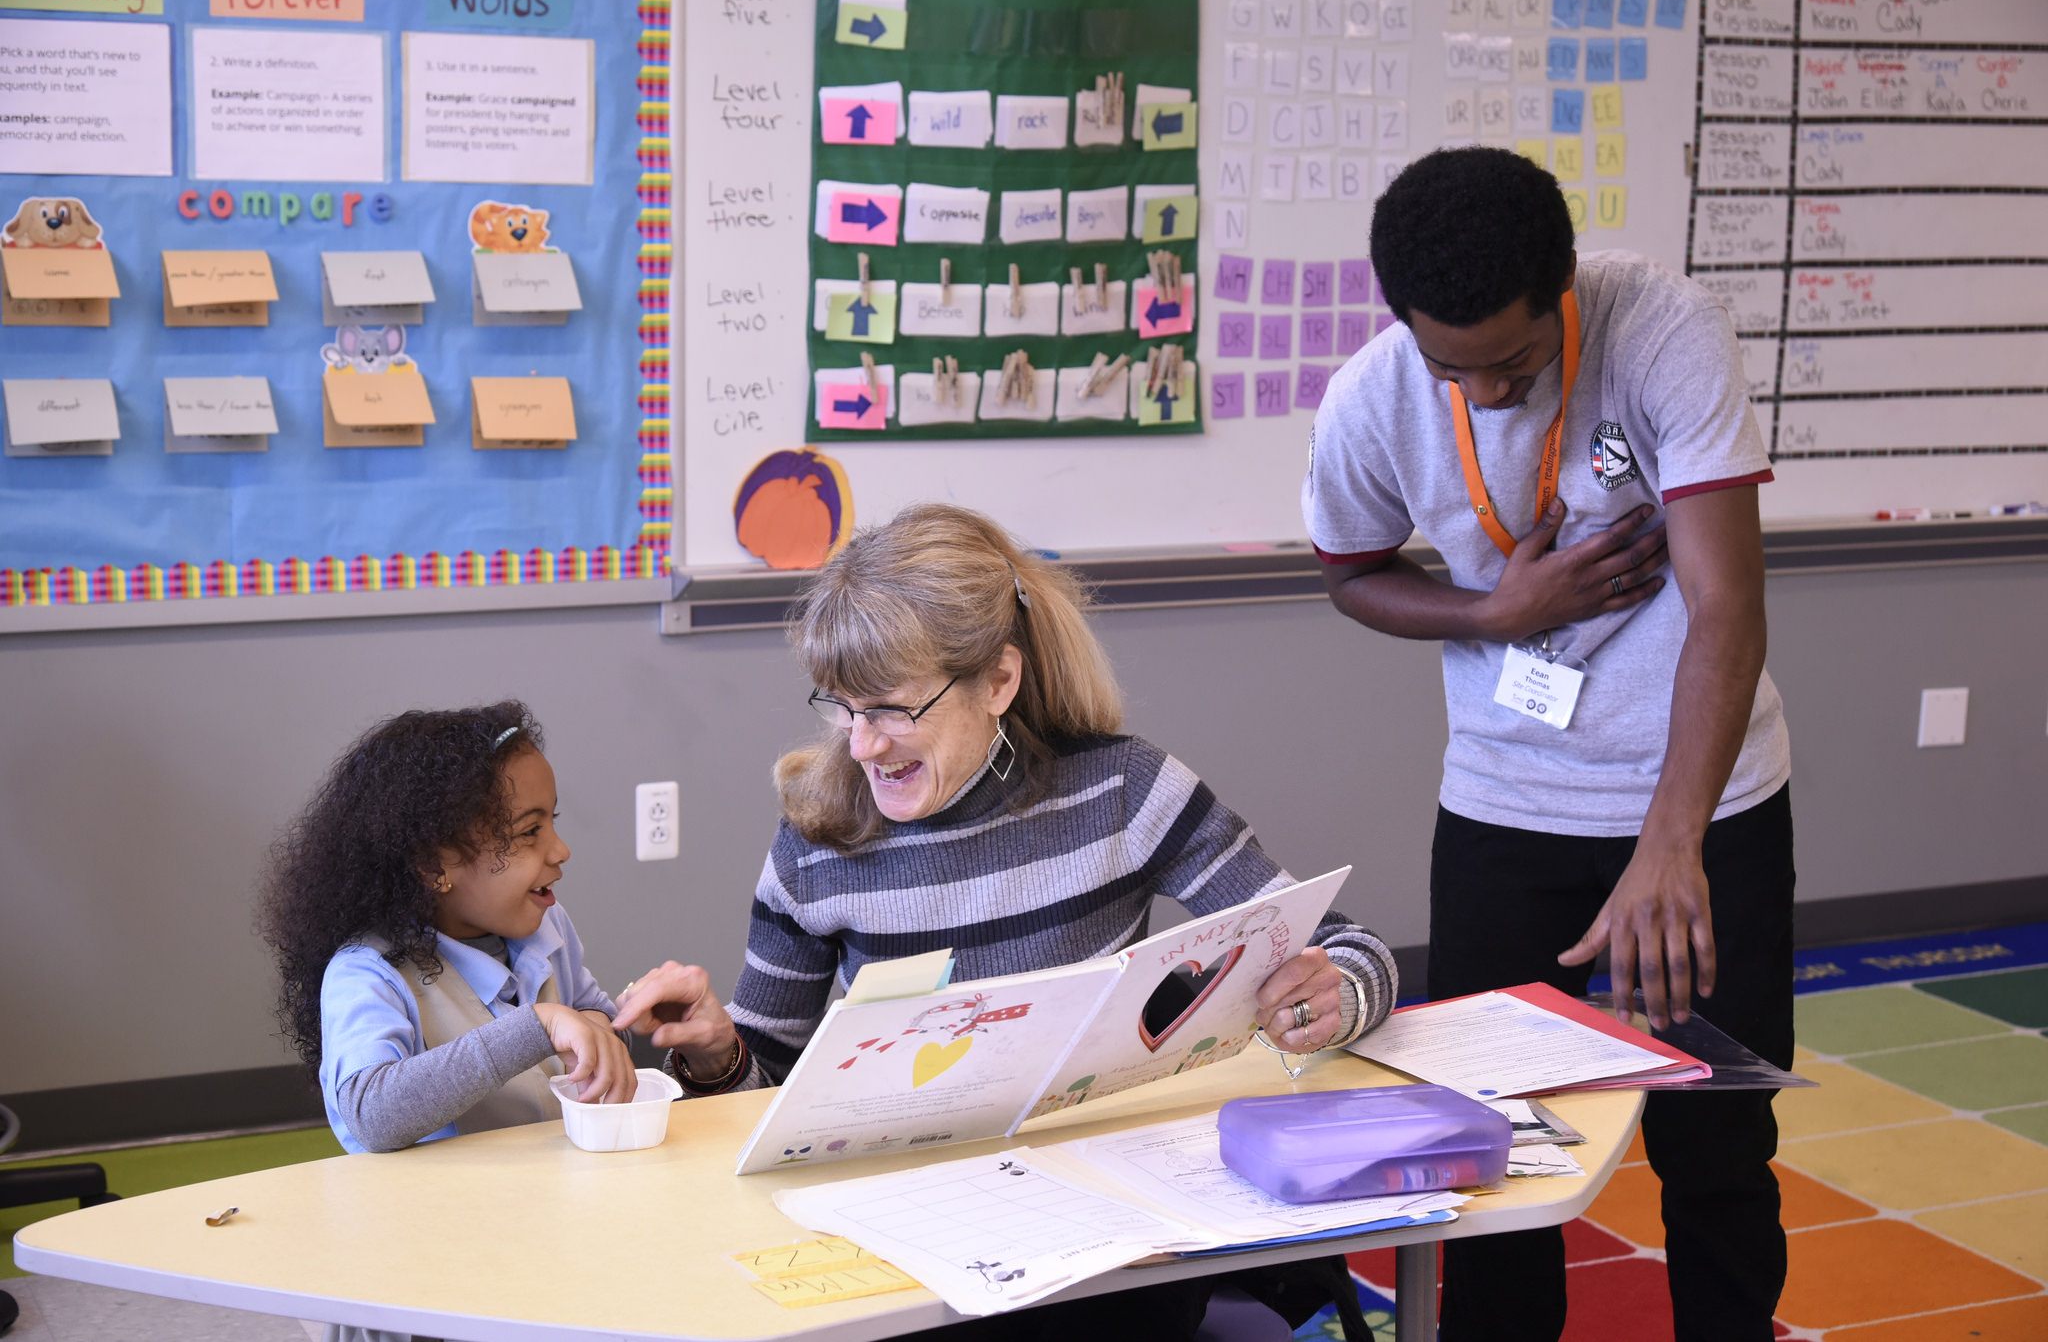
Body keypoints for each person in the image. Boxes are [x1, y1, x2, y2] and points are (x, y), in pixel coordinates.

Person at [612, 502, 1401, 1340]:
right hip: (909, 1245)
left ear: (998, 681)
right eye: (842, 706)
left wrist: (1333, 996)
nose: (863, 745)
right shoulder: (819, 840)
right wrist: (716, 1051)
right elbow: (762, 1096)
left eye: (891, 709)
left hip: (1104, 1242)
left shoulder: (1122, 791)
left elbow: (1349, 949)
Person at [1303, 146, 1794, 1342]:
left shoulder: (1662, 329)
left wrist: (1668, 844)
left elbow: (1724, 602)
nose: (1477, 394)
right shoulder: (1374, 394)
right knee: (1491, 1147)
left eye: (1512, 363)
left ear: (1563, 286)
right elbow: (1347, 572)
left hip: (1700, 807)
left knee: (1715, 1142)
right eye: (1446, 366)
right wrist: (1491, 612)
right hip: (1503, 804)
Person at [258, 702, 638, 1162]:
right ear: (434, 865)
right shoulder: (370, 972)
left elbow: (592, 1015)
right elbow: (372, 1115)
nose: (561, 850)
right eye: (528, 832)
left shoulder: (548, 923)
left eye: (552, 822)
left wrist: (604, 1029)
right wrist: (538, 1026)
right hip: (443, 1220)